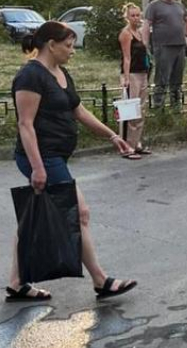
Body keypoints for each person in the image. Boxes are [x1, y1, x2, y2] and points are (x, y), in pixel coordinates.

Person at [7, 21, 137, 302]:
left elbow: (77, 109)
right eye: (68, 45)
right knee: (79, 213)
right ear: (51, 45)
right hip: (42, 157)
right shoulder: (30, 76)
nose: (72, 51)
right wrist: (38, 167)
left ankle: (17, 283)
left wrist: (112, 135)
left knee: (32, 217)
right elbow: (25, 125)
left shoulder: (60, 72)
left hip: (55, 157)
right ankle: (101, 280)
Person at [143, 0, 187, 108]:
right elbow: (146, 24)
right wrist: (145, 44)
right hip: (163, 46)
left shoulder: (179, 6)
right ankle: (158, 107)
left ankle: (176, 106)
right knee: (161, 78)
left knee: (177, 78)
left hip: (180, 46)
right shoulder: (154, 5)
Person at [118, 2, 151, 160]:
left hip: (143, 72)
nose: (136, 18)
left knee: (141, 109)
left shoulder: (138, 32)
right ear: (127, 16)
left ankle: (137, 142)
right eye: (133, 15)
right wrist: (125, 77)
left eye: (138, 15)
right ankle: (128, 146)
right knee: (131, 110)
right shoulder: (126, 33)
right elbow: (126, 57)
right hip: (131, 74)